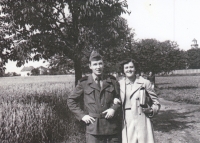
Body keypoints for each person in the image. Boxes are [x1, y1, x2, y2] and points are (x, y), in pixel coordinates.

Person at [67, 50, 121, 143]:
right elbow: (71, 100)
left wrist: (114, 108)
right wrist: (82, 116)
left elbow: (120, 97)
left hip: (112, 128)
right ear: (90, 66)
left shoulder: (112, 81)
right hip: (93, 129)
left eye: (100, 64)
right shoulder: (84, 82)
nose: (98, 67)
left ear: (103, 65)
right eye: (95, 64)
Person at [114, 59, 160, 143]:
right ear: (123, 70)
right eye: (126, 67)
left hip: (142, 118)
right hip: (126, 119)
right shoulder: (119, 84)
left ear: (135, 69)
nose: (129, 69)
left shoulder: (145, 83)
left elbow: (156, 102)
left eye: (131, 67)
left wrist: (151, 110)